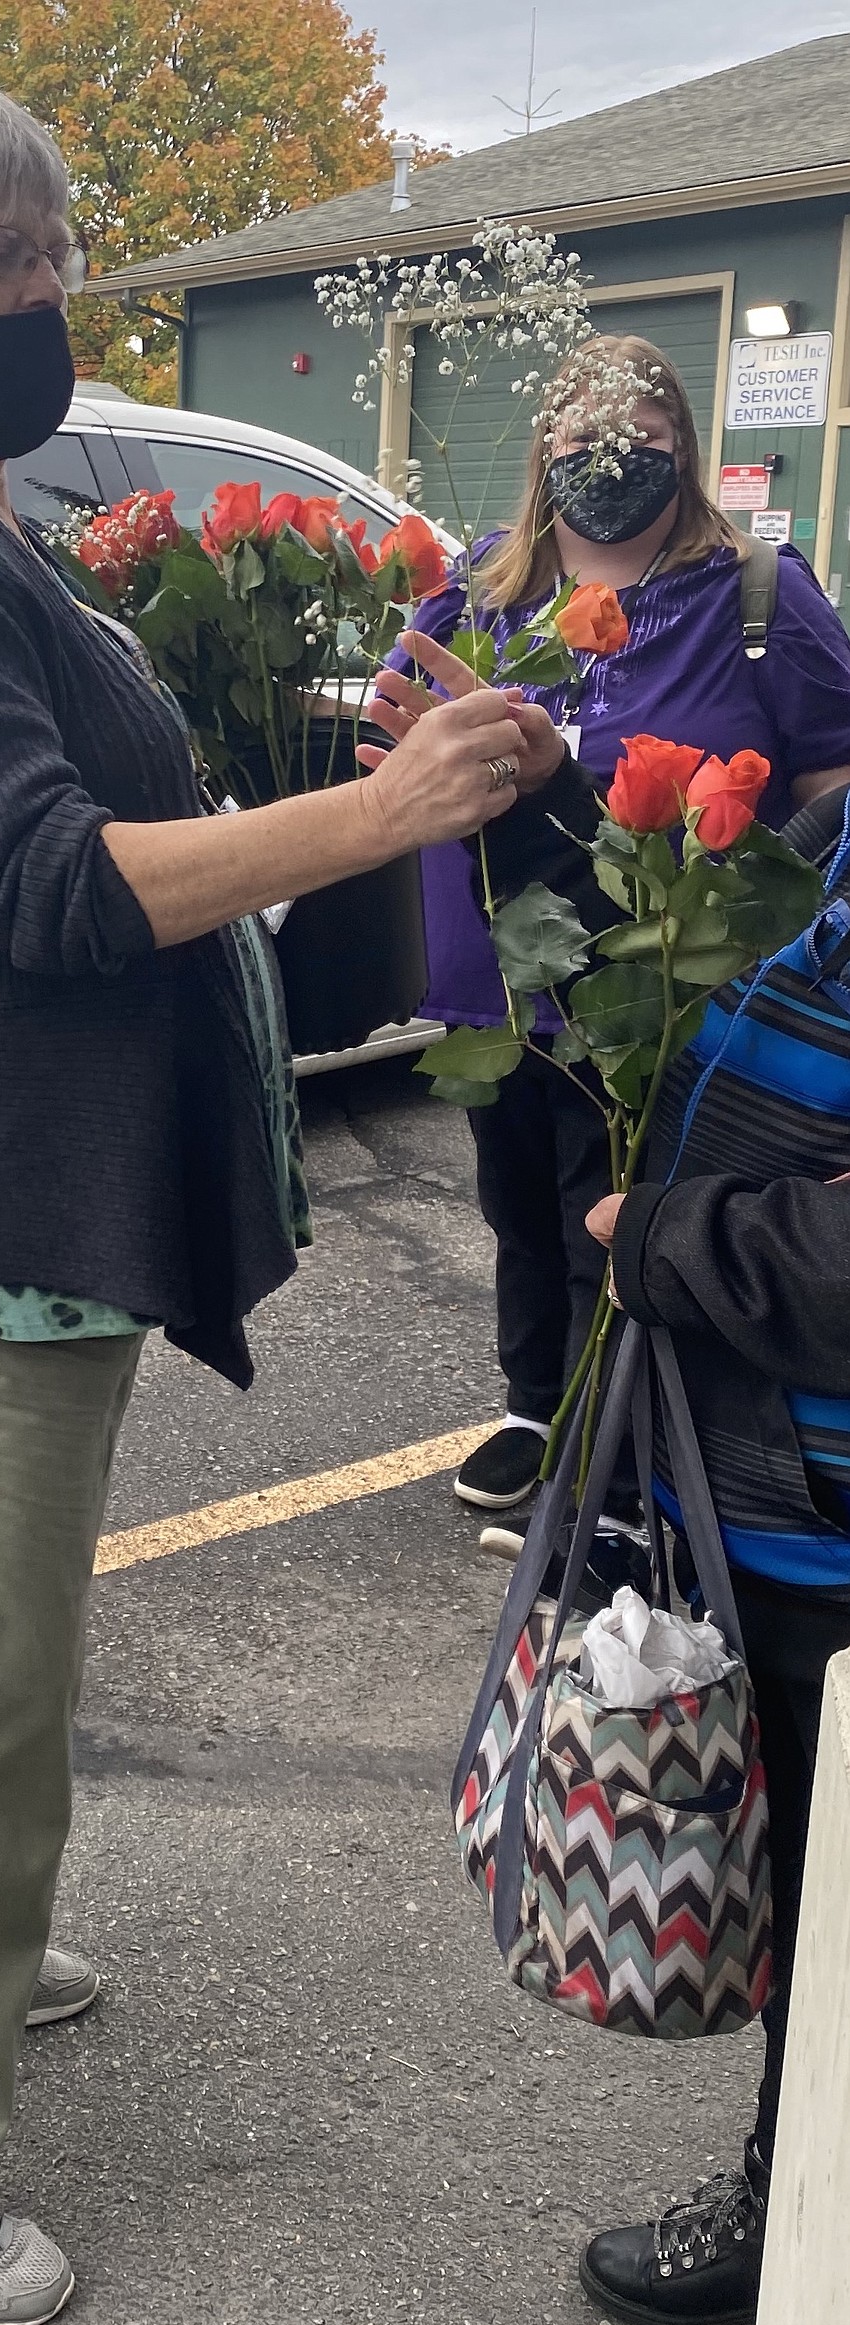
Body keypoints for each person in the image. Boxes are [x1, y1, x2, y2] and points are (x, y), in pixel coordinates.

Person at [0, 83, 552, 2325]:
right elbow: (52, 890)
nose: (47, 300)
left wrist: (370, 741)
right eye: (1, 265)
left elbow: (106, 779)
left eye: (53, 251)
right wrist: (378, 815)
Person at [389, 335, 850, 1518]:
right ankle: (535, 1398)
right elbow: (402, 730)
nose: (614, 458)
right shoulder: (485, 585)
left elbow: (830, 793)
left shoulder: (752, 592)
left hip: (667, 978)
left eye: (644, 438)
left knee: (636, 1203)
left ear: (685, 450)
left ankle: (636, 1423)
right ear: (547, 446)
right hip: (502, 973)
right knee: (518, 1199)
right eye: (588, 434)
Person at [572, 780, 850, 2325]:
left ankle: (795, 2213)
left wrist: (680, 1244)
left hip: (827, 1507)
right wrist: (559, 811)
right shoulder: (833, 822)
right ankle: (792, 2180)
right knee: (815, 1897)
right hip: (771, 1491)